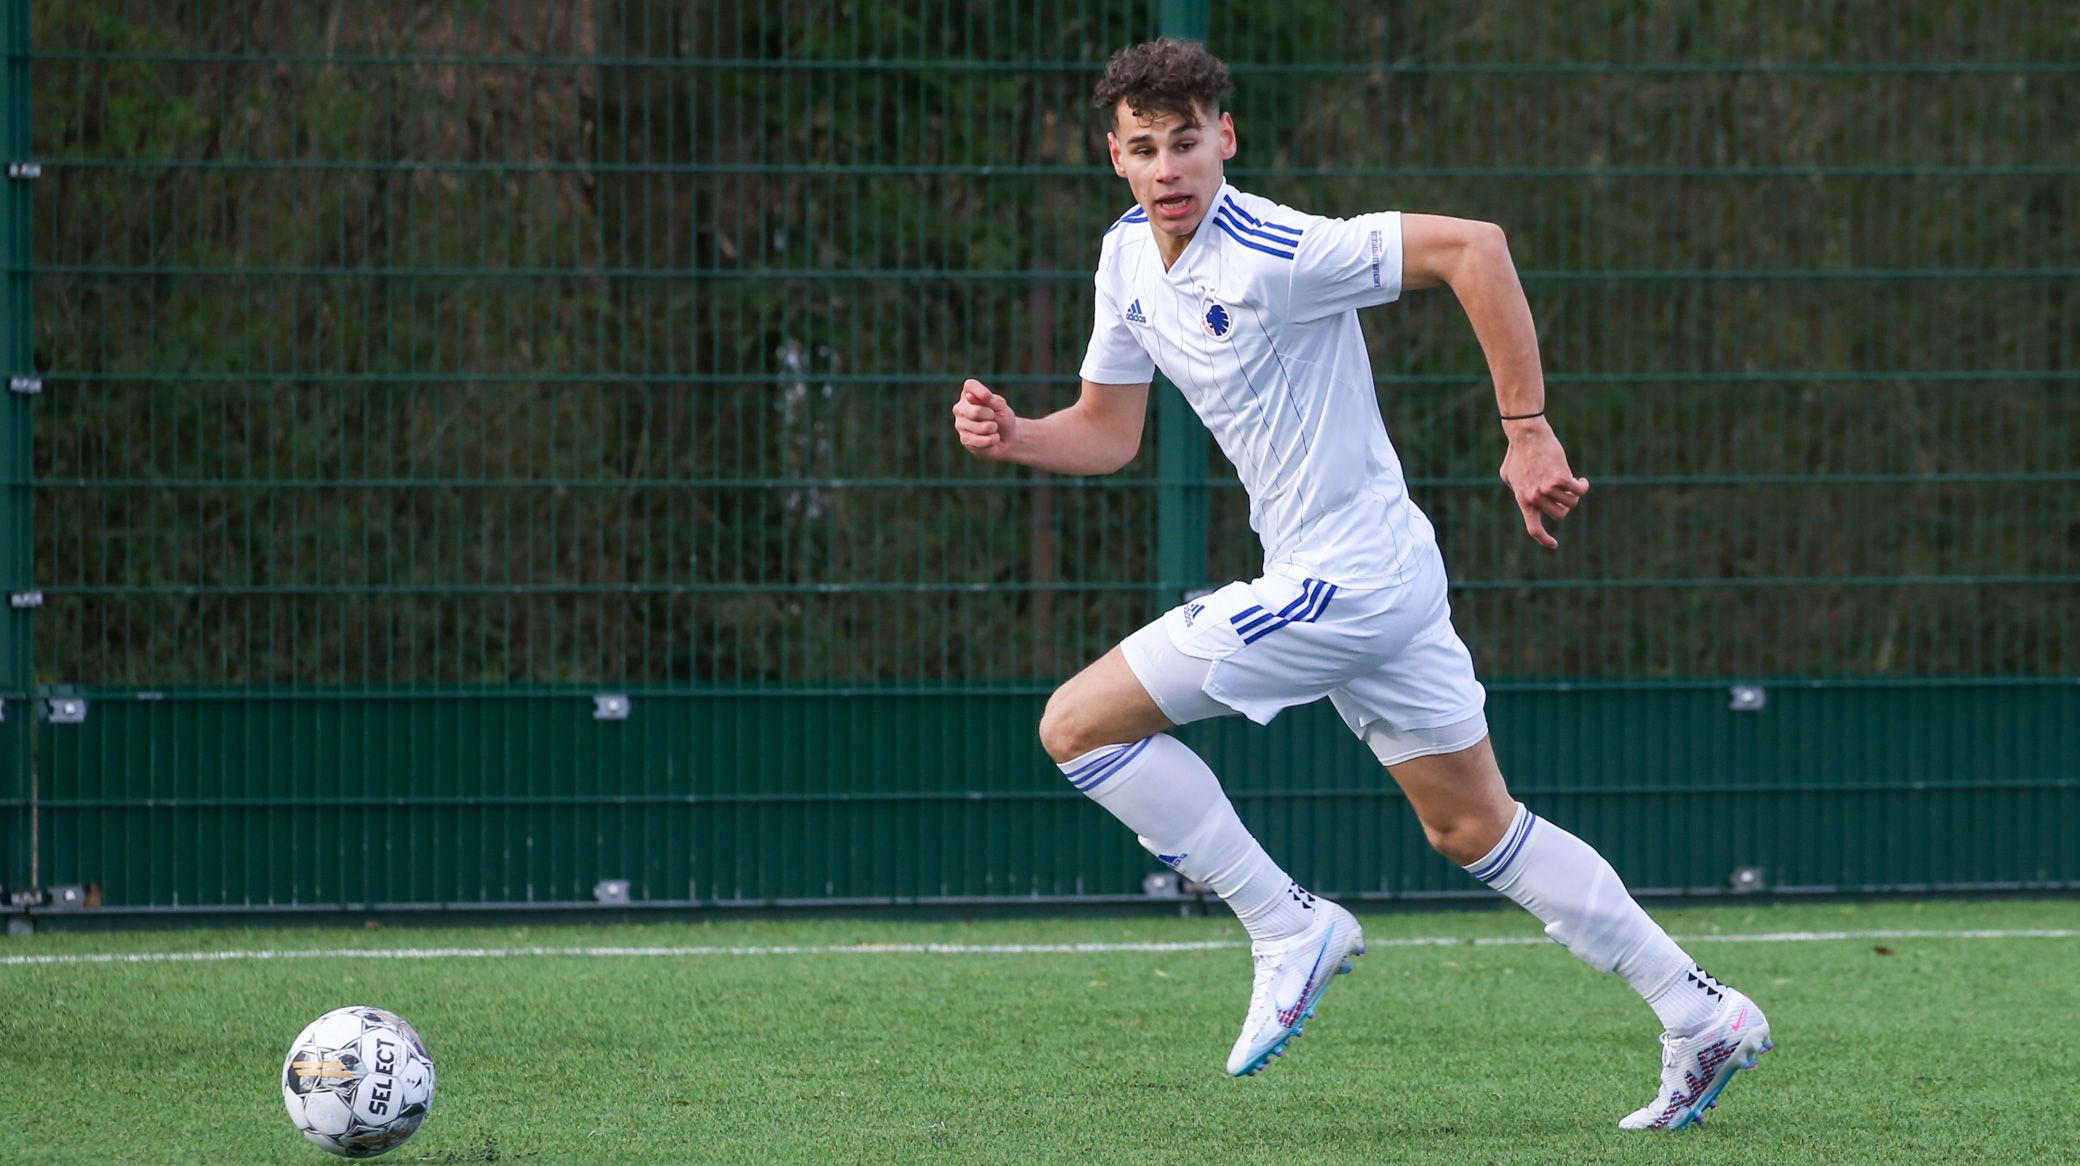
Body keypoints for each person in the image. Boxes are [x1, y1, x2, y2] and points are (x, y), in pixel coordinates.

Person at [949, 38, 1771, 1130]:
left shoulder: (1276, 247)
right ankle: (1696, 1005)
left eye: (1186, 142)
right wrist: (1016, 437)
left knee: (1078, 725)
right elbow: (1104, 432)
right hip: (1381, 575)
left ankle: (1286, 924)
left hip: (1347, 578)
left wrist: (1525, 430)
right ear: (1115, 157)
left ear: (1224, 138)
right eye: (1144, 149)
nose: (1168, 168)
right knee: (1474, 825)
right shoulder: (1124, 262)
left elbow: (1474, 249)